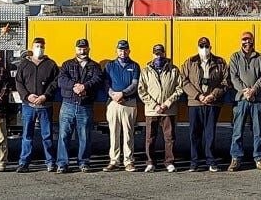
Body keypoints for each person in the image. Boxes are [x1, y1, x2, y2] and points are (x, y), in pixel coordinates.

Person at [56, 38, 104, 173]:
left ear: (88, 49)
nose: (82, 51)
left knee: (84, 136)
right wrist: (74, 86)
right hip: (68, 105)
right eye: (79, 48)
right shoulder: (66, 64)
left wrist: (84, 86)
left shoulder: (95, 66)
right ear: (75, 49)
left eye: (84, 48)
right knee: (64, 135)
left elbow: (98, 79)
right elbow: (61, 80)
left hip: (85, 106)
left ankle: (84, 162)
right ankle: (62, 163)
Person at [226, 32, 261, 172]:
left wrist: (253, 91)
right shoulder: (235, 57)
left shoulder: (260, 57)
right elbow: (233, 77)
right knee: (237, 131)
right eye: (244, 40)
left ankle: (259, 158)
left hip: (256, 100)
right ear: (241, 42)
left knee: (258, 131)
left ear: (253, 42)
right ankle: (235, 159)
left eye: (249, 40)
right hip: (240, 100)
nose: (247, 43)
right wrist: (245, 91)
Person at [184, 36, 229, 172]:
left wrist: (212, 95)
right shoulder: (190, 62)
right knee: (194, 133)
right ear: (198, 47)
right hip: (195, 103)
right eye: (201, 46)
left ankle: (211, 161)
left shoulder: (220, 62)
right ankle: (194, 162)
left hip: (212, 103)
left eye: (206, 46)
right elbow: (184, 81)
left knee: (210, 133)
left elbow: (225, 82)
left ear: (210, 48)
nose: (204, 49)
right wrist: (198, 96)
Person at [15, 37, 59, 173]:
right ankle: (24, 162)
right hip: (28, 106)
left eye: (41, 46)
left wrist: (45, 96)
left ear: (44, 47)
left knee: (47, 136)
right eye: (36, 46)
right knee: (27, 135)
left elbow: (56, 82)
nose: (39, 48)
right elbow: (18, 82)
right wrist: (27, 96)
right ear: (32, 47)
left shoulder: (51, 64)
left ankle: (51, 162)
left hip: (45, 106)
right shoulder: (24, 64)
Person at [137, 44, 183, 173]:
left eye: (160, 53)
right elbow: (141, 90)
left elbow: (179, 89)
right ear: (153, 54)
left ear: (164, 53)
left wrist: (167, 104)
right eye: (156, 53)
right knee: (150, 138)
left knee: (169, 137)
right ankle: (150, 162)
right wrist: (155, 105)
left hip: (168, 110)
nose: (158, 56)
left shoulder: (174, 70)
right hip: (152, 110)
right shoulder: (145, 71)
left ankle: (169, 162)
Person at [103, 40, 141, 172]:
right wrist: (113, 95)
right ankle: (114, 161)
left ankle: (129, 161)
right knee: (114, 132)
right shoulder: (110, 65)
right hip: (113, 102)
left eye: (125, 50)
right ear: (116, 51)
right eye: (120, 50)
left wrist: (123, 94)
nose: (122, 52)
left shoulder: (134, 66)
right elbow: (106, 83)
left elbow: (135, 84)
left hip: (129, 103)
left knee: (128, 133)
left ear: (129, 51)